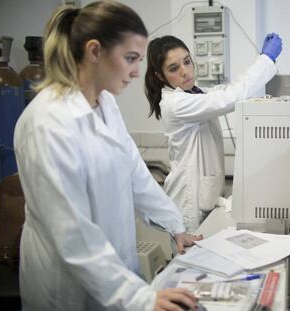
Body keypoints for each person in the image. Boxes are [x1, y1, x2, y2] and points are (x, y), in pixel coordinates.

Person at [14, 2, 201, 310]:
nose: (136, 71)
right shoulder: (47, 123)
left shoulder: (105, 104)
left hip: (114, 271)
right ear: (95, 51)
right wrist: (140, 298)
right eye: (130, 58)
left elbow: (135, 172)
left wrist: (176, 226)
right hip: (67, 287)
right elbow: (71, 234)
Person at [144, 34, 282, 234]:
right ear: (160, 76)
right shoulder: (176, 104)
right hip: (188, 203)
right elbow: (230, 97)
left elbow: (226, 90)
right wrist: (266, 59)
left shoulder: (193, 93)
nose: (185, 71)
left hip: (205, 196)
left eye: (187, 62)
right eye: (174, 69)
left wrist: (265, 60)